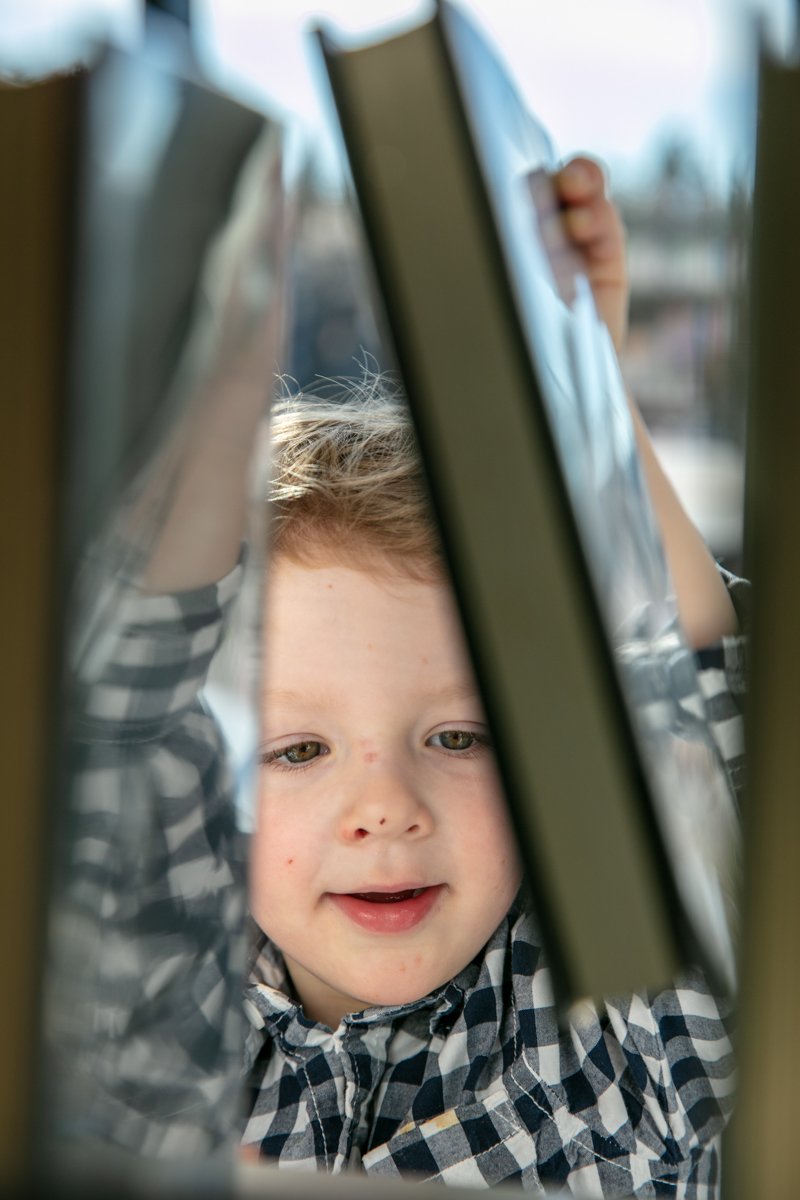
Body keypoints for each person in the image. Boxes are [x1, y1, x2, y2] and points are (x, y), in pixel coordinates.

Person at [57, 157, 747, 1196]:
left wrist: (586, 386)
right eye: (297, 749)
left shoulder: (613, 1025)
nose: (384, 809)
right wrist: (219, 388)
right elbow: (111, 725)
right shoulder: (163, 1008)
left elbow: (702, 713)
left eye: (459, 737)